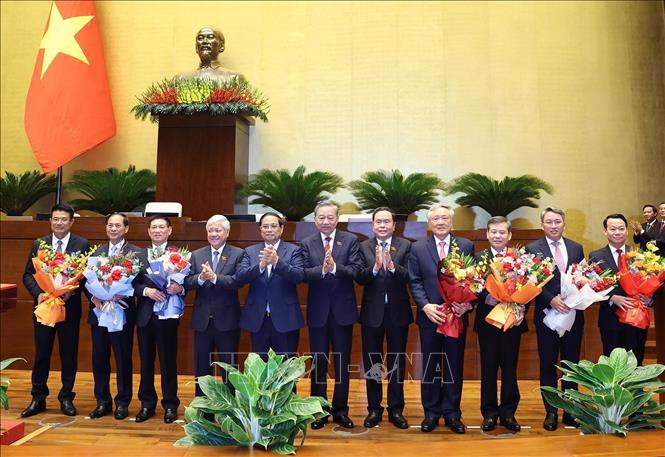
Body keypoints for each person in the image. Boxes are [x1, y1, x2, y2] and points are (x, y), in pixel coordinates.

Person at [408, 205, 474, 434]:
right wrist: (425, 306)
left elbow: (474, 282)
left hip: (456, 316)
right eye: (435, 218)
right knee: (431, 366)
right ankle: (431, 413)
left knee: (454, 366)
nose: (440, 222)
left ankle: (453, 414)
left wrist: (467, 304)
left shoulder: (465, 245)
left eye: (445, 218)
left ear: (452, 222)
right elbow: (414, 281)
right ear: (429, 223)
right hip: (430, 317)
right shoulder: (417, 248)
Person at [21, 203, 90, 418]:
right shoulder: (39, 244)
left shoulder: (82, 244)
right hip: (44, 308)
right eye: (55, 219)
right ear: (50, 221)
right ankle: (38, 397)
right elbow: (27, 275)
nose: (59, 223)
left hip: (69, 309)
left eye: (63, 219)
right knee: (42, 353)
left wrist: (71, 292)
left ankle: (67, 397)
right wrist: (39, 294)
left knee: (68, 354)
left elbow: (86, 277)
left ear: (71, 222)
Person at [301, 201, 362, 430]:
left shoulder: (350, 240)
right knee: (318, 363)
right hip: (318, 312)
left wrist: (335, 268)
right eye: (321, 217)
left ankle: (341, 410)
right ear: (315, 219)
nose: (326, 221)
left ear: (337, 218)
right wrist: (322, 270)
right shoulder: (307, 243)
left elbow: (356, 271)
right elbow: (303, 274)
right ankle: (319, 411)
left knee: (341, 362)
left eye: (330, 217)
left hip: (343, 312)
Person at [526, 207, 585, 431]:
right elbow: (530, 281)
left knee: (571, 365)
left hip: (572, 315)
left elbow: (582, 278)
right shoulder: (533, 249)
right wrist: (550, 300)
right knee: (548, 365)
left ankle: (571, 410)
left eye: (557, 221)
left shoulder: (576, 248)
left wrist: (571, 300)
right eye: (549, 222)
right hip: (546, 315)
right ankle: (551, 411)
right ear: (542, 225)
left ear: (564, 223)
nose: (553, 225)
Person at [356, 207, 412, 430]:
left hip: (398, 313)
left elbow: (410, 276)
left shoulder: (406, 245)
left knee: (397, 363)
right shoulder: (363, 247)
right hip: (372, 314)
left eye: (386, 221)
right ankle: (374, 409)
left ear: (393, 225)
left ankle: (396, 409)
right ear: (372, 225)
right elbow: (359, 277)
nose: (382, 225)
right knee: (373, 363)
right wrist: (375, 269)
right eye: (378, 221)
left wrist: (392, 266)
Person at [85, 213, 141, 420]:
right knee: (99, 358)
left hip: (122, 311)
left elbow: (139, 282)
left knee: (123, 357)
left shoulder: (135, 253)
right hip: (99, 312)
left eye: (118, 225)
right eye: (110, 225)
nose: (114, 228)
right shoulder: (97, 252)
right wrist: (94, 298)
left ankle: (122, 402)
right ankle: (102, 401)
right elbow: (86, 281)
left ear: (126, 228)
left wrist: (121, 294)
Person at [185, 215, 244, 398]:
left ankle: (231, 412)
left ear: (227, 233)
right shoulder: (197, 254)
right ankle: (204, 411)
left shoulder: (237, 253)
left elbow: (238, 281)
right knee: (202, 368)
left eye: (218, 230)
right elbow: (187, 281)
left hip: (227, 321)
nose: (213, 234)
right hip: (202, 320)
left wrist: (215, 277)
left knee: (229, 369)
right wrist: (201, 278)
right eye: (210, 230)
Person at [474, 216, 523, 433]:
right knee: (489, 368)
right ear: (487, 234)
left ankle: (508, 413)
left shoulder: (520, 259)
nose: (497, 236)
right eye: (493, 232)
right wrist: (486, 297)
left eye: (502, 232)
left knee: (510, 369)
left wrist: (522, 309)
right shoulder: (478, 258)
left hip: (513, 322)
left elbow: (530, 288)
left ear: (509, 235)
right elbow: (471, 289)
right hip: (488, 322)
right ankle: (489, 413)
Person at [134, 215, 184, 424]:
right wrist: (146, 291)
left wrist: (179, 288)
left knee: (168, 361)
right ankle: (147, 404)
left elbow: (187, 281)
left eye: (161, 227)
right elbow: (132, 285)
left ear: (169, 230)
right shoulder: (139, 255)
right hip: (145, 315)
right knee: (146, 361)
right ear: (148, 231)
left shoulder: (179, 256)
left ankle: (170, 405)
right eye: (153, 227)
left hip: (168, 316)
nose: (157, 230)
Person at [237, 212, 304, 358]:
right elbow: (240, 277)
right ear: (260, 229)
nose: (269, 229)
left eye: (273, 226)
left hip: (286, 318)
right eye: (265, 226)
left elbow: (299, 276)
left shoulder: (294, 250)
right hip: (258, 319)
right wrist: (260, 266)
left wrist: (277, 263)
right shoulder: (250, 251)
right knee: (259, 370)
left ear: (281, 229)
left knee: (286, 369)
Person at [590, 214, 650, 365]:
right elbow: (591, 285)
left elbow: (649, 281)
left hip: (636, 318)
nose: (617, 232)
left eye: (621, 228)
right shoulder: (596, 256)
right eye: (613, 229)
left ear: (627, 231)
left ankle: (634, 390)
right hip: (610, 319)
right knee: (613, 365)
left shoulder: (639, 255)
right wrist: (611, 297)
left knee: (636, 363)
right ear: (605, 231)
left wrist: (649, 298)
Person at [175, 26, 245, 83]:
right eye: (200, 38)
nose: (204, 41)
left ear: (221, 46)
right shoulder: (180, 79)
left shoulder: (234, 78)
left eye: (210, 37)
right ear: (196, 47)